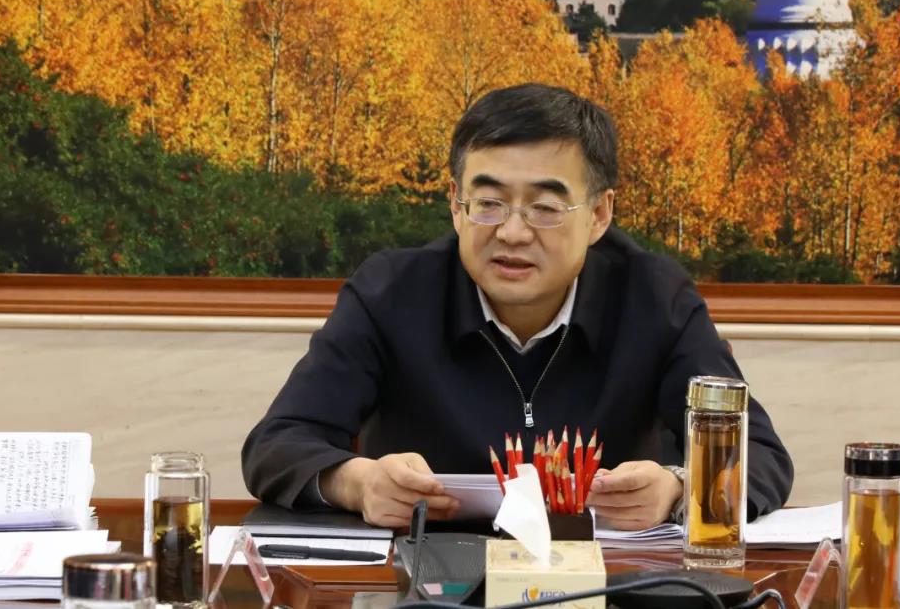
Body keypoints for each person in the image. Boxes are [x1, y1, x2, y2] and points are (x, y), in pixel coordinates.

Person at [242, 83, 793, 529]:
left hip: (607, 581)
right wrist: (358, 483)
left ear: (599, 215)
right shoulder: (390, 293)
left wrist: (679, 488)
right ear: (455, 205)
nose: (511, 232)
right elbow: (277, 444)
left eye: (545, 208)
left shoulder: (655, 298)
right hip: (430, 580)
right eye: (488, 203)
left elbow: (761, 456)